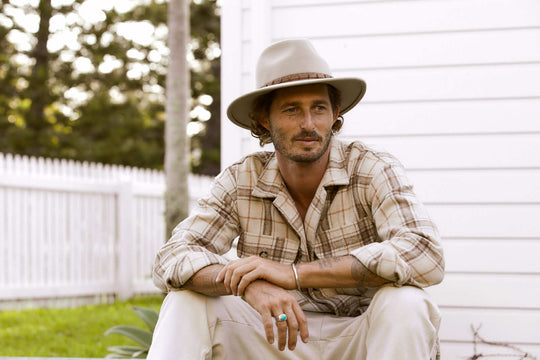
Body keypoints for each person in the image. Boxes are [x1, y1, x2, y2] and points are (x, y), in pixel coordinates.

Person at [148, 39, 445, 360]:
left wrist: (292, 274)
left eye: (319, 108)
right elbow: (171, 258)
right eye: (291, 110)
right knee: (186, 300)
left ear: (335, 114)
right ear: (263, 119)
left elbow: (425, 254)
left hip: (361, 337)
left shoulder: (372, 167)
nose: (308, 124)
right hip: (276, 335)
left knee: (408, 304)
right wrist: (249, 285)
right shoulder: (241, 179)